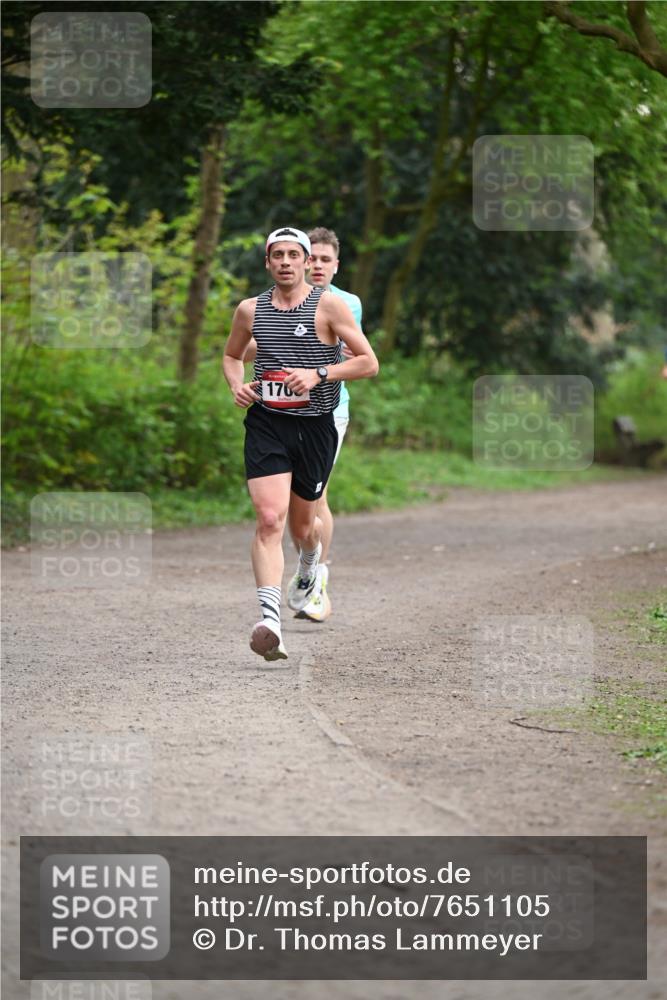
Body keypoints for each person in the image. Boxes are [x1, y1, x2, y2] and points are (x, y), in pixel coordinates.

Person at [223, 227, 379, 662]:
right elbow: (232, 355)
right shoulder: (250, 309)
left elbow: (369, 362)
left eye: (295, 255)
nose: (287, 262)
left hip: (316, 426)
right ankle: (270, 621)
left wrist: (319, 374)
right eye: (278, 255)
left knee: (302, 528)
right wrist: (236, 385)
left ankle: (311, 564)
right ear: (268, 262)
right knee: (270, 519)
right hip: (268, 423)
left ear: (307, 261)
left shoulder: (330, 305)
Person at [292, 227, 362, 622]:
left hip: (330, 411)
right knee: (291, 506)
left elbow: (356, 358)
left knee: (317, 499)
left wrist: (322, 367)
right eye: (311, 258)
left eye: (324, 260)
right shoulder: (280, 302)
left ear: (336, 266)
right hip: (281, 413)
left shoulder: (347, 303)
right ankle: (309, 573)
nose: (316, 265)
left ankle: (316, 581)